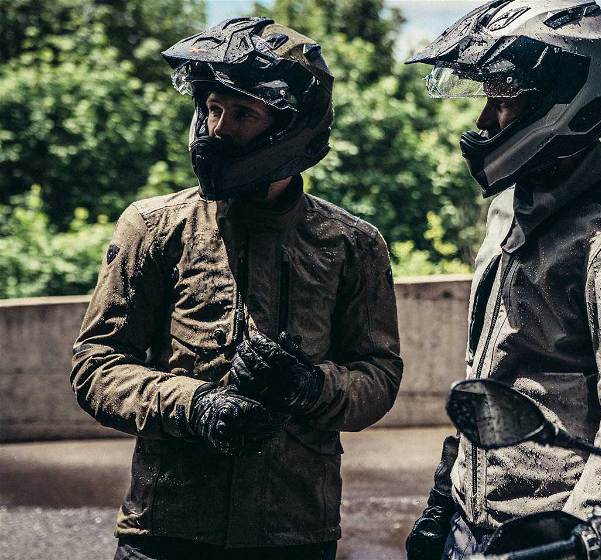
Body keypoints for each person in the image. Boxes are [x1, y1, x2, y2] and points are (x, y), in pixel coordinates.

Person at [70, 17, 402, 560]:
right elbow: (96, 365)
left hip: (294, 534)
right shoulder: (154, 227)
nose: (219, 128)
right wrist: (196, 405)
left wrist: (309, 386)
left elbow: (380, 376)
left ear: (291, 127)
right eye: (212, 109)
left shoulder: (352, 244)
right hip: (167, 531)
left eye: (243, 113)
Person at [404, 2, 601, 558]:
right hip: (474, 521)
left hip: (551, 535)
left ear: (569, 104)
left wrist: (577, 531)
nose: (485, 121)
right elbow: (495, 375)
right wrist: (446, 493)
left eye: (503, 101)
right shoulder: (510, 212)